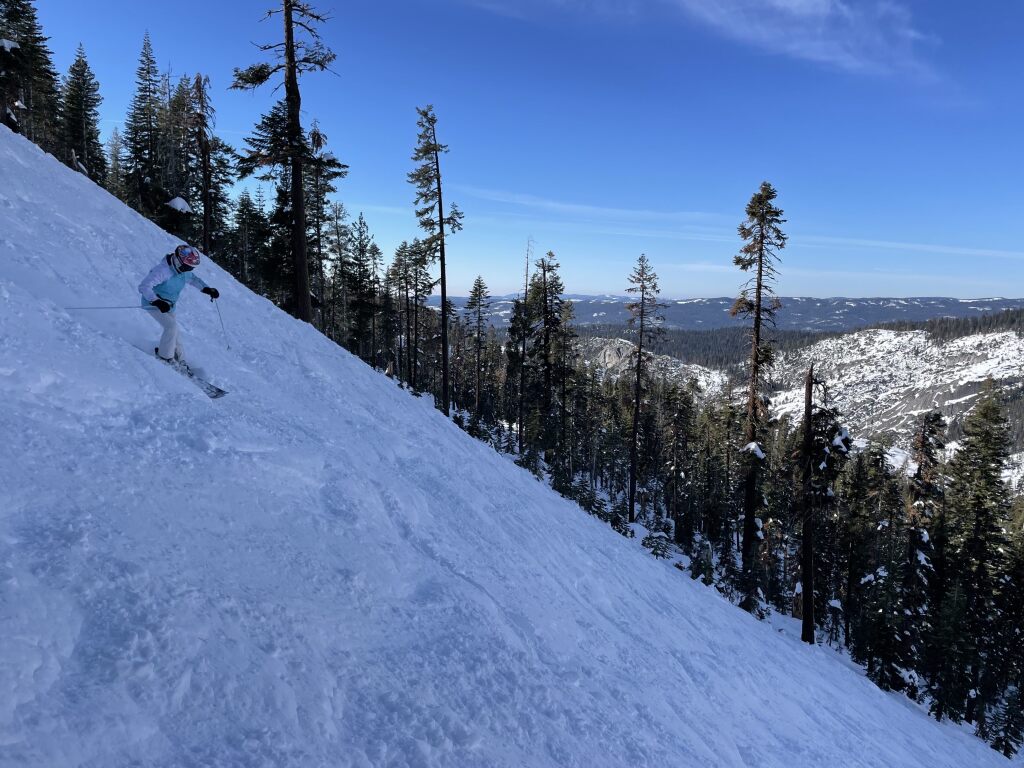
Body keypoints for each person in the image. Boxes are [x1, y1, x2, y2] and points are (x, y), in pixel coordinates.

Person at [139, 244, 219, 363]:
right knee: (171, 327)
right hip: (154, 304)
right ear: (178, 261)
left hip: (169, 306)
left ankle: (180, 359)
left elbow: (193, 279)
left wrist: (207, 289)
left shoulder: (184, 271)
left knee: (175, 332)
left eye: (191, 268)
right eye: (187, 267)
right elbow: (144, 286)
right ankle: (165, 357)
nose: (189, 270)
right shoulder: (163, 271)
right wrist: (156, 301)